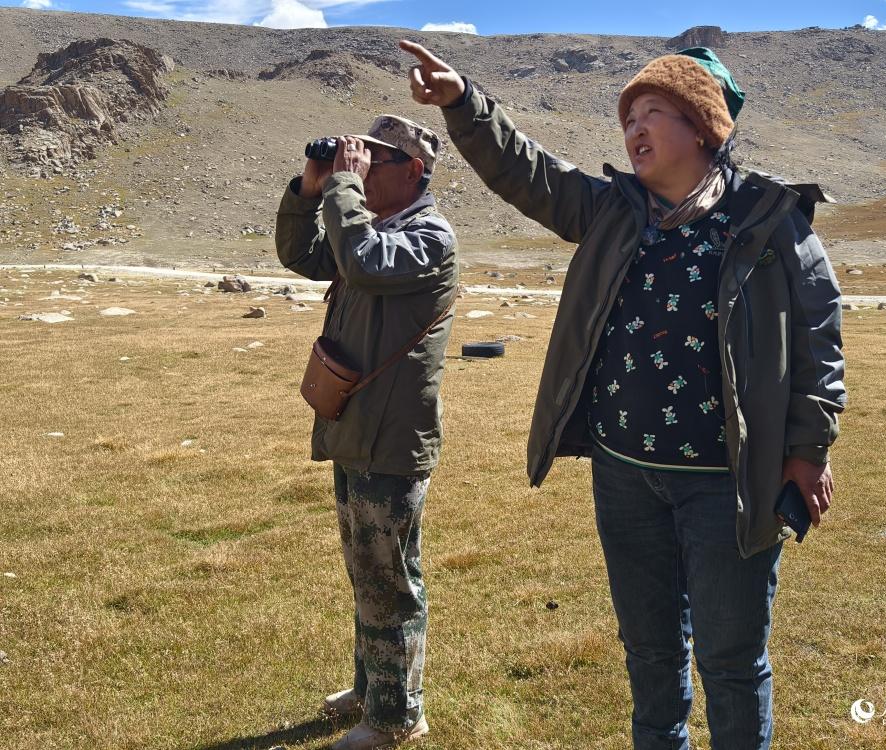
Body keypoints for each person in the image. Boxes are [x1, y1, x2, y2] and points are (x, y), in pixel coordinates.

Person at [401, 39, 846, 750]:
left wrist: (809, 450)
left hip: (727, 482)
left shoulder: (767, 216)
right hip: (625, 475)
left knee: (732, 662)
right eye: (628, 118)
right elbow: (528, 172)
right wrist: (463, 104)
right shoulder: (613, 209)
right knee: (650, 652)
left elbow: (820, 337)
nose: (634, 129)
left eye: (653, 113)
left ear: (702, 128)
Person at [275, 113, 457, 750]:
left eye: (374, 162)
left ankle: (397, 717)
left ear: (414, 171)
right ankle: (373, 690)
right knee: (366, 572)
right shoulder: (369, 228)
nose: (360, 171)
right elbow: (301, 254)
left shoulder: (429, 237)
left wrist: (343, 190)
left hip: (393, 438)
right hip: (357, 429)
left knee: (389, 579)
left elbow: (363, 262)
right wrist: (309, 189)